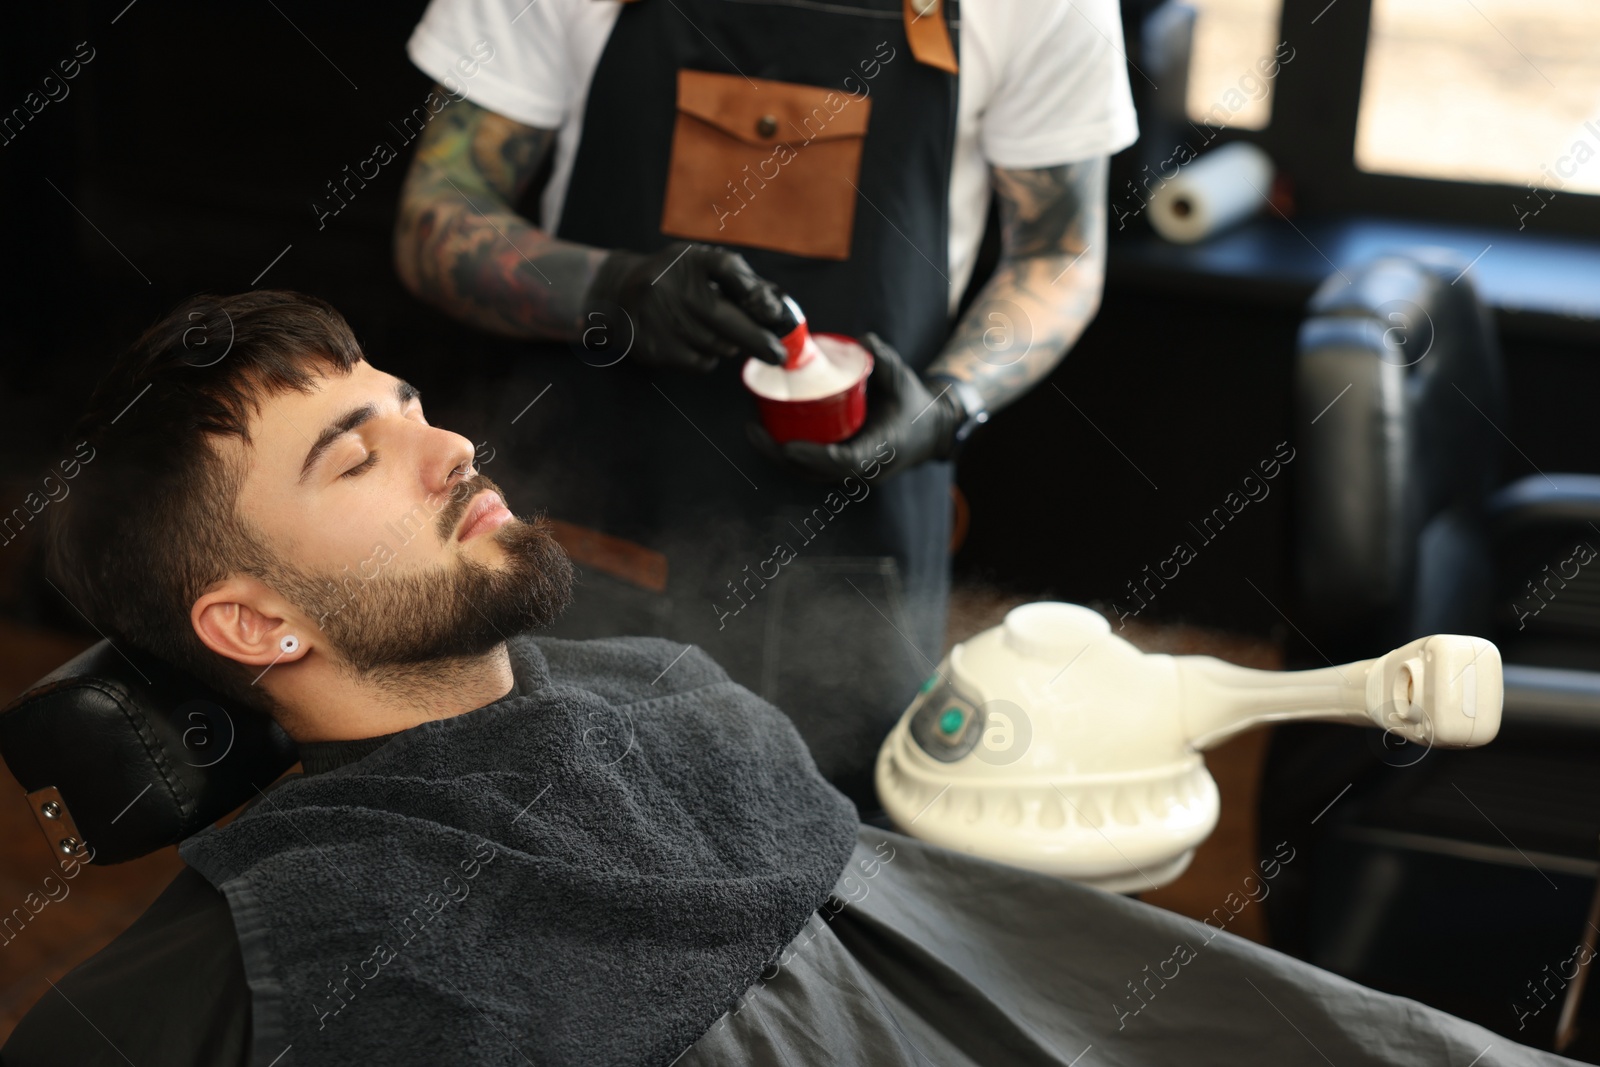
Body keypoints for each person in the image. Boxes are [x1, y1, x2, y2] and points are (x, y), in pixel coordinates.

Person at [3, 292, 1578, 1066]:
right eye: (360, 452)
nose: (451, 441)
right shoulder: (298, 937)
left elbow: (956, 947)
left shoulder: (657, 693)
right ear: (254, 622)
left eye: (411, 399)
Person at [391, 0, 1138, 809]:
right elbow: (438, 214)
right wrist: (606, 290)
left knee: (833, 864)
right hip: (595, 513)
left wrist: (950, 402)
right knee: (558, 825)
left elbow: (1058, 251)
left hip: (855, 533)